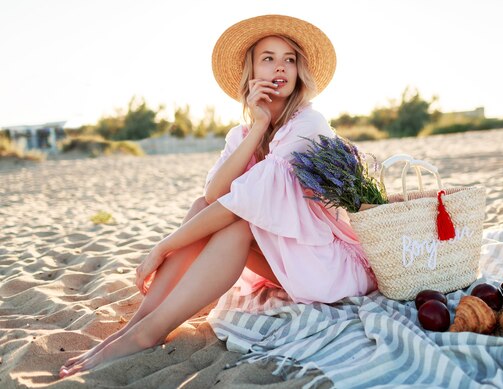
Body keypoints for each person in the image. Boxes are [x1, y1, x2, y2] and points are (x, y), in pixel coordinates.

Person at [59, 14, 377, 378]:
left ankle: (149, 332)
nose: (281, 68)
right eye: (269, 58)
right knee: (202, 208)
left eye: (289, 59)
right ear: (251, 69)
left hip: (329, 265)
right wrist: (257, 127)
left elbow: (237, 204)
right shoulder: (243, 133)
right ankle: (138, 324)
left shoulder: (308, 125)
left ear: (299, 70)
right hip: (293, 259)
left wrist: (162, 247)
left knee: (237, 225)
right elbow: (213, 195)